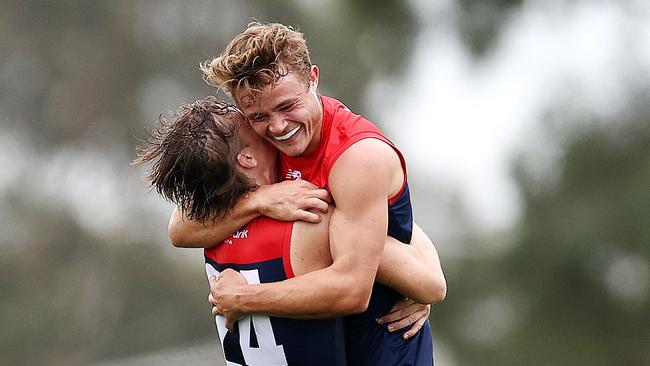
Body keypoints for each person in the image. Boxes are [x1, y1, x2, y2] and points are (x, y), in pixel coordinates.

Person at [171, 22, 442, 364]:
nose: (278, 127)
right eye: (258, 116)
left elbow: (352, 290)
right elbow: (180, 228)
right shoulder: (257, 146)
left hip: (383, 348)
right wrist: (259, 200)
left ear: (313, 78)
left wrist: (244, 299)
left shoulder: (357, 157)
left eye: (288, 106)